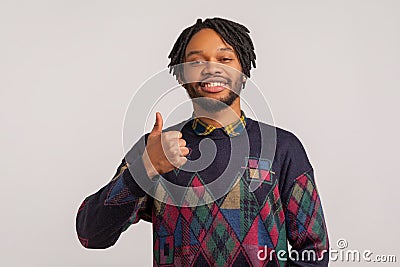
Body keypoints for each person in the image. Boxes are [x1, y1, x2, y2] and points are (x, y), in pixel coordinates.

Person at [76, 17, 329, 266]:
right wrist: (146, 168)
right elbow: (91, 234)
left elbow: (314, 252)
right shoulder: (156, 149)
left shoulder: (283, 148)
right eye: (196, 61)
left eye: (225, 59)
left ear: (243, 72)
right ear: (180, 75)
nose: (212, 68)